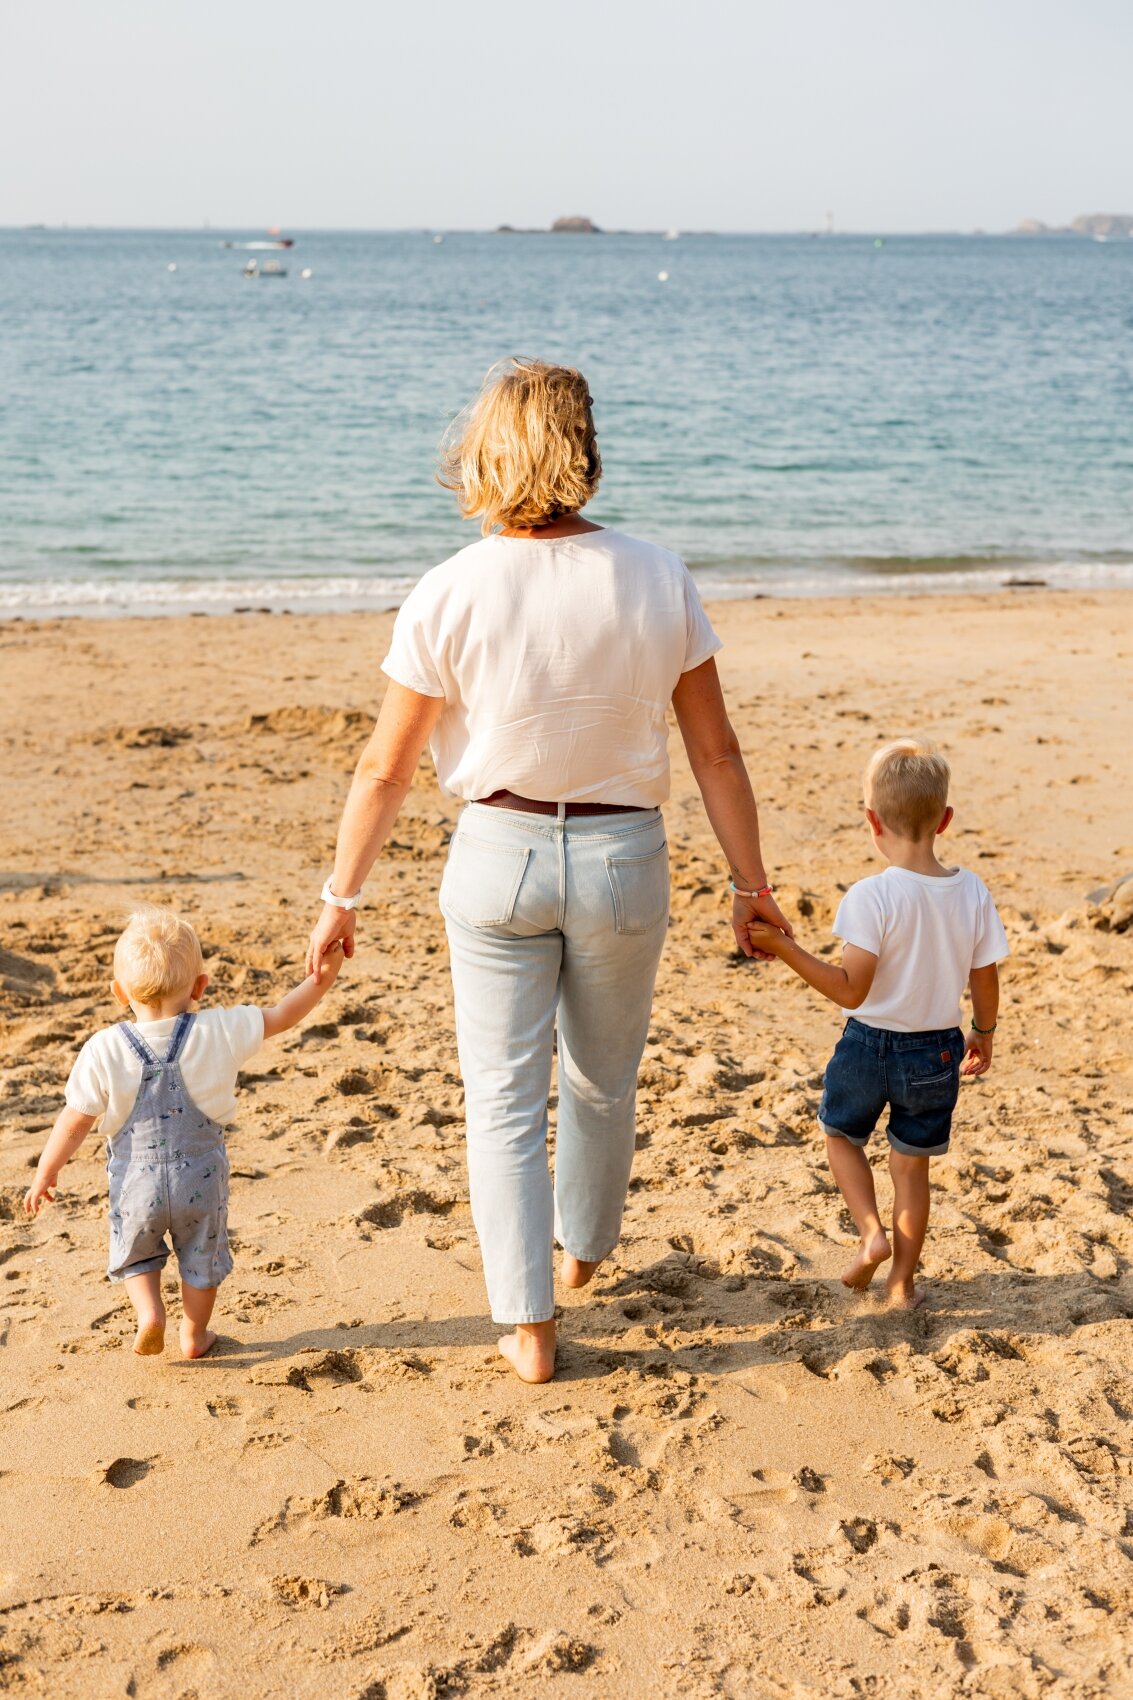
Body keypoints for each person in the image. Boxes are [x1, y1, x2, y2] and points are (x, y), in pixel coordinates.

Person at [306, 357, 790, 1382]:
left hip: (498, 856)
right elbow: (715, 753)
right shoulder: (656, 573)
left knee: (500, 1095)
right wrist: (751, 885)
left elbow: (384, 766)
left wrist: (340, 896)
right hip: (623, 858)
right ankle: (582, 1252)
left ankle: (527, 1325)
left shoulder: (449, 587)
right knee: (600, 1082)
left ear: (484, 453)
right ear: (586, 451)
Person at [747, 739, 1008, 1309]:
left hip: (867, 1045)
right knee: (912, 1171)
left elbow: (849, 987)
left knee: (841, 1135)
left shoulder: (872, 896)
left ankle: (870, 1234)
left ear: (871, 821)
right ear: (944, 820)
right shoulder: (971, 891)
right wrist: (982, 1032)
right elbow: (984, 977)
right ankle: (902, 1285)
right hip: (936, 1052)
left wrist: (785, 948)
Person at [24, 908, 343, 1358]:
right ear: (199, 987)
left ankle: (150, 1313)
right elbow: (283, 1014)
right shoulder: (218, 1030)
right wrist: (323, 976)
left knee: (136, 1251)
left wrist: (46, 1171)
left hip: (136, 1184)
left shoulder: (104, 1049)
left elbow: (75, 1120)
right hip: (200, 1181)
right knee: (201, 1260)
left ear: (119, 993)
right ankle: (194, 1335)